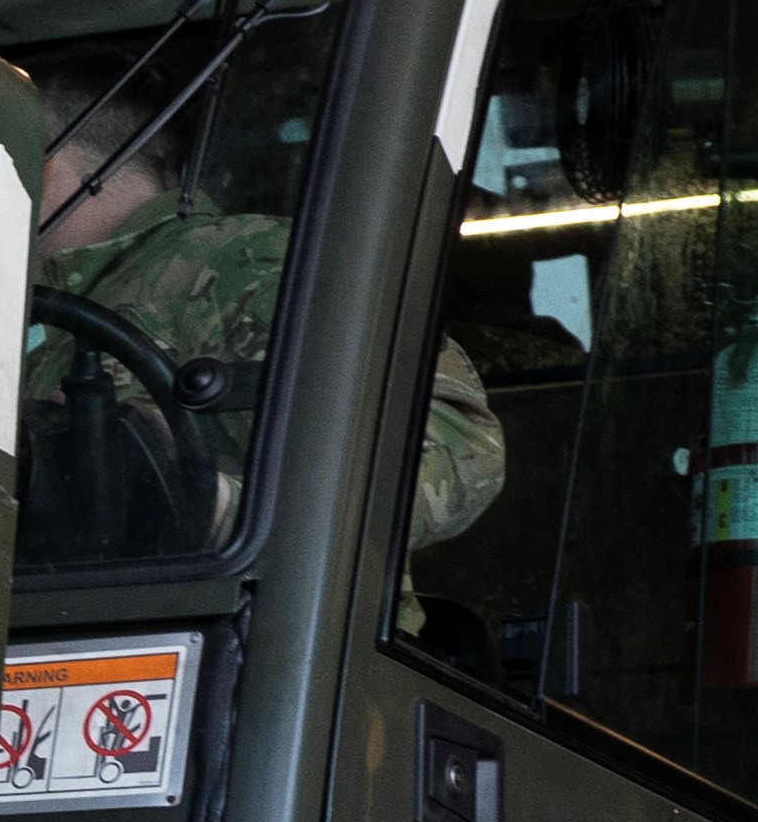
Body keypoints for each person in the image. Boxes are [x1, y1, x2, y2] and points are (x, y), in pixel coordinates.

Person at [32, 110, 502, 554]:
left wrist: (206, 504)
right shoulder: (52, 333)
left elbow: (459, 452)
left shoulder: (240, 261)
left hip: (241, 633)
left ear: (43, 170)